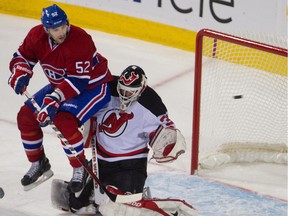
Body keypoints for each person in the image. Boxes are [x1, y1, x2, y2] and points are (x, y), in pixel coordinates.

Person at [52, 65, 194, 215]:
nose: (125, 95)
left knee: (119, 209)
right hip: (100, 161)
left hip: (131, 166)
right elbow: (80, 91)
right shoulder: (107, 88)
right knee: (76, 205)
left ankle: (172, 209)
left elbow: (167, 131)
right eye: (123, 89)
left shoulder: (151, 103)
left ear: (141, 88)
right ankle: (91, 189)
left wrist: (167, 143)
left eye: (130, 92)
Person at [8, 4, 113, 193]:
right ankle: (39, 163)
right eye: (56, 29)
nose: (61, 32)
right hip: (62, 85)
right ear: (46, 29)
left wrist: (54, 99)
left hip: (93, 86)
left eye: (64, 26)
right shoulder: (36, 36)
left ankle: (80, 168)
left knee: (63, 120)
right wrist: (20, 71)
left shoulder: (80, 39)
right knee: (25, 117)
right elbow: (21, 57)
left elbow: (78, 81)